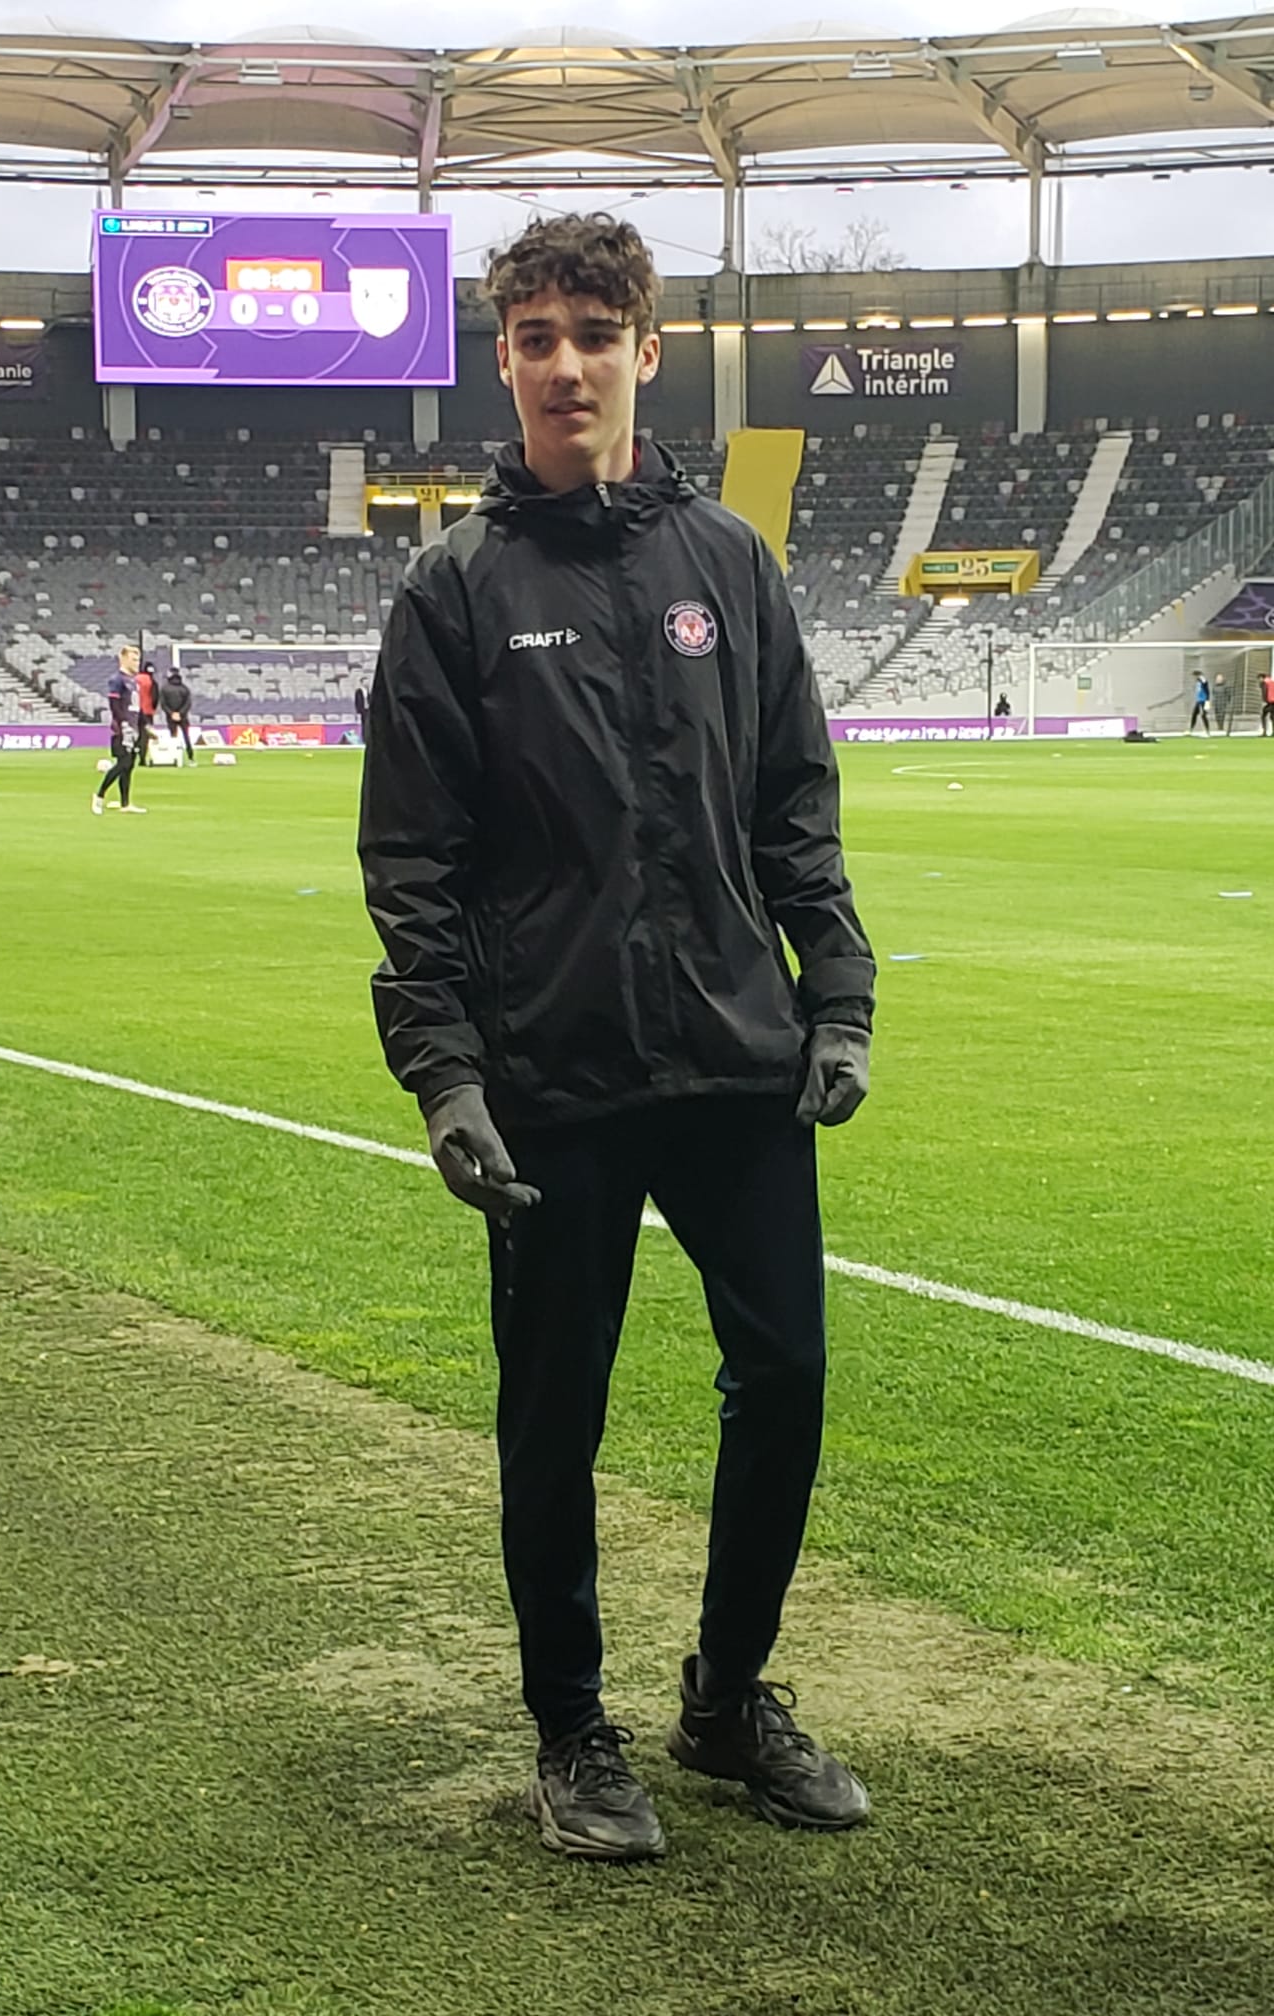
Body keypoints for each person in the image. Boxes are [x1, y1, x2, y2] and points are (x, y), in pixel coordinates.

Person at [359, 212, 874, 1864]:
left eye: (594, 334)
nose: (565, 365)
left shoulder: (730, 564)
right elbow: (412, 863)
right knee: (552, 1419)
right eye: (536, 338)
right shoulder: (453, 590)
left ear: (648, 352)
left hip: (734, 1055)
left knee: (786, 1375)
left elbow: (795, 805)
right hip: (552, 1078)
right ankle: (570, 1729)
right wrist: (445, 1075)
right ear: (503, 361)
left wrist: (838, 993)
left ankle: (725, 1699)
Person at [93, 644, 145, 815]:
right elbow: (114, 705)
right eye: (133, 659)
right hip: (122, 729)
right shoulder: (117, 680)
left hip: (134, 727)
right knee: (123, 763)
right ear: (123, 659)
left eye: (138, 659)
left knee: (129, 766)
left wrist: (143, 726)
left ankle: (125, 803)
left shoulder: (134, 681)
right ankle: (99, 795)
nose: (137, 663)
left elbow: (135, 707)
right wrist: (123, 724)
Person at [159, 663, 196, 764]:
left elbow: (163, 704)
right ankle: (191, 758)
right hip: (183, 717)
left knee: (173, 738)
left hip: (170, 717)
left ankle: (173, 758)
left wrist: (171, 713)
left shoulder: (164, 688)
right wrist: (181, 713)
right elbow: (188, 703)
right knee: (186, 737)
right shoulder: (184, 688)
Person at [135, 657, 161, 766]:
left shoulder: (135, 679)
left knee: (133, 734)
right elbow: (155, 697)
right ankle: (142, 758)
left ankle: (131, 754)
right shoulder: (152, 681)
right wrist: (153, 708)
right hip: (147, 711)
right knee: (144, 736)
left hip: (134, 711)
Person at [1190, 671, 1212, 735]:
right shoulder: (1198, 682)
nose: (1193, 678)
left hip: (1204, 701)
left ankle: (1207, 731)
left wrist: (1207, 702)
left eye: (1194, 676)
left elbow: (1206, 687)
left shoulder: (1202, 680)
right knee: (1194, 714)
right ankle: (1191, 729)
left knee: (1203, 715)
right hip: (1199, 701)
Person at [1262, 666, 1274, 737]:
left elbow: (1264, 692)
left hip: (1270, 702)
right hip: (1272, 702)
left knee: (1264, 715)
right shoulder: (1272, 682)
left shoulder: (1265, 682)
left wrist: (1264, 700)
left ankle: (1264, 732)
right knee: (1272, 716)